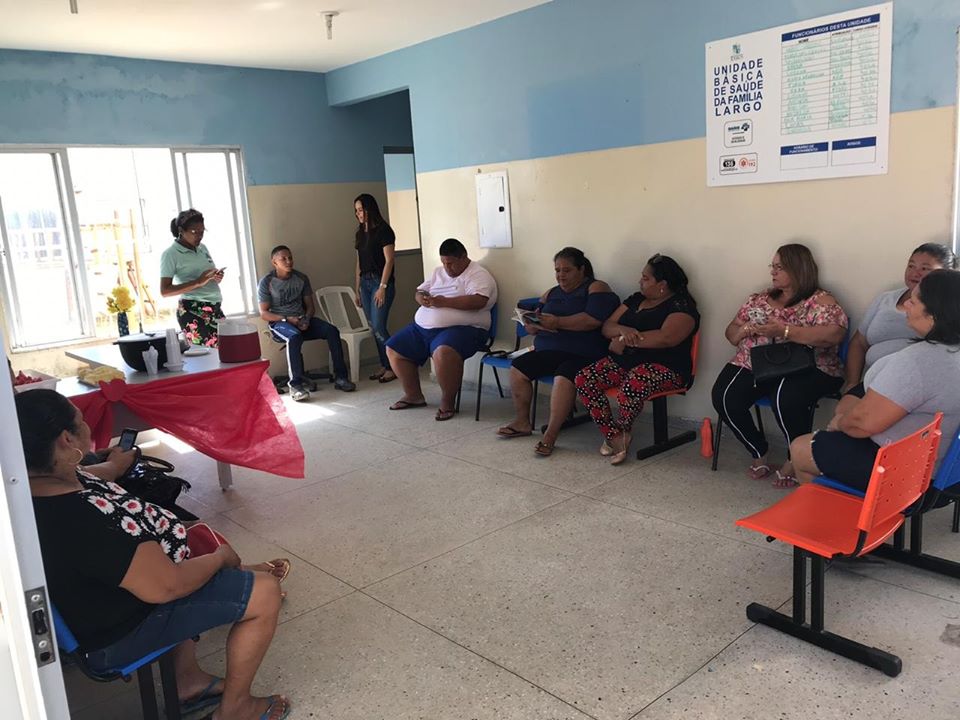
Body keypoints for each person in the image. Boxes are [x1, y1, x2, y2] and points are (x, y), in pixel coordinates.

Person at [16, 389, 292, 720]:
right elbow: (167, 585)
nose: (87, 427)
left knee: (190, 541)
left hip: (106, 602)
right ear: (66, 439)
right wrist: (220, 557)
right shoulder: (84, 521)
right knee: (263, 592)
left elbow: (97, 475)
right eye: (82, 421)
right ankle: (237, 709)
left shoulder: (35, 489)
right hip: (121, 631)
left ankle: (188, 681)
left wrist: (116, 463)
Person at [791, 270, 960, 491]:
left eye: (914, 301)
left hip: (904, 473)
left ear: (933, 315)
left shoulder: (920, 361)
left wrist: (840, 423)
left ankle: (839, 511)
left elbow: (862, 424)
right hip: (947, 471)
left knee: (800, 449)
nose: (906, 304)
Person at [711, 243, 848, 488]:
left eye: (780, 267)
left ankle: (796, 459)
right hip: (757, 363)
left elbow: (833, 335)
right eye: (772, 266)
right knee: (724, 396)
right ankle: (758, 450)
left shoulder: (819, 301)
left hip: (808, 366)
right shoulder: (759, 299)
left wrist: (784, 331)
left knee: (785, 395)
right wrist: (745, 329)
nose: (773, 272)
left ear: (799, 269)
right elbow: (731, 333)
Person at [574, 254, 699, 465]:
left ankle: (623, 429)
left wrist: (624, 340)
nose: (640, 281)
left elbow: (667, 338)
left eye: (645, 278)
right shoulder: (636, 299)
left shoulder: (682, 306)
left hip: (667, 367)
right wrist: (622, 330)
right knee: (584, 379)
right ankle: (614, 434)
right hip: (626, 362)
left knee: (633, 384)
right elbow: (607, 326)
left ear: (662, 284)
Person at [496, 247, 620, 456]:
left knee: (564, 375)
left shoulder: (596, 287)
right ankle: (522, 422)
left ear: (582, 269)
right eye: (557, 270)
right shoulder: (551, 293)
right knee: (518, 367)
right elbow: (537, 318)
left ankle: (550, 435)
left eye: (567, 270)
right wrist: (532, 324)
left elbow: (592, 320)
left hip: (584, 353)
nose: (561, 275)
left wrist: (558, 322)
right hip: (550, 349)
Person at [386, 238, 497, 421]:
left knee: (443, 352)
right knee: (394, 348)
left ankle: (447, 402)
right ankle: (413, 395)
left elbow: (478, 301)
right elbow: (420, 291)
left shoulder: (478, 274)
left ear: (463, 257)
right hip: (423, 328)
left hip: (466, 329)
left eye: (450, 263)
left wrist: (442, 302)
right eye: (444, 263)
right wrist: (421, 298)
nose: (447, 268)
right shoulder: (438, 272)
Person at [839, 243, 956, 407]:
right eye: (911, 265)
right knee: (842, 411)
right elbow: (859, 342)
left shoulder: (944, 311)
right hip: (874, 381)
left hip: (911, 384)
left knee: (856, 419)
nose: (915, 273)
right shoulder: (885, 299)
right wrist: (852, 382)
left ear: (946, 274)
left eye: (925, 268)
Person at [258, 245, 356, 400]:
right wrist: (286, 319)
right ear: (274, 262)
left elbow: (310, 307)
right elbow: (264, 313)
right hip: (280, 323)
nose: (289, 261)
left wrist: (307, 319)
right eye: (283, 259)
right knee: (294, 337)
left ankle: (341, 378)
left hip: (301, 320)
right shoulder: (267, 282)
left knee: (331, 330)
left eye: (290, 258)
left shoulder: (301, 278)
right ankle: (296, 386)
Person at [160, 209, 226, 348]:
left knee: (227, 351)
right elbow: (165, 291)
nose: (199, 236)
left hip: (215, 308)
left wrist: (216, 277)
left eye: (202, 231)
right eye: (194, 232)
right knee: (209, 356)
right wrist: (198, 282)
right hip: (193, 310)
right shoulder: (170, 254)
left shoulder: (203, 248)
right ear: (181, 230)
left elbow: (206, 277)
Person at [354, 194, 398, 383]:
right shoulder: (359, 233)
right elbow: (359, 262)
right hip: (365, 283)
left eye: (361, 210)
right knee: (374, 327)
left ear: (370, 209)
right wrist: (357, 288)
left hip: (380, 282)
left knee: (379, 326)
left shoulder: (384, 230)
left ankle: (395, 365)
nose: (358, 214)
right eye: (356, 211)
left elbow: (389, 260)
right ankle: (385, 364)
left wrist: (382, 287)